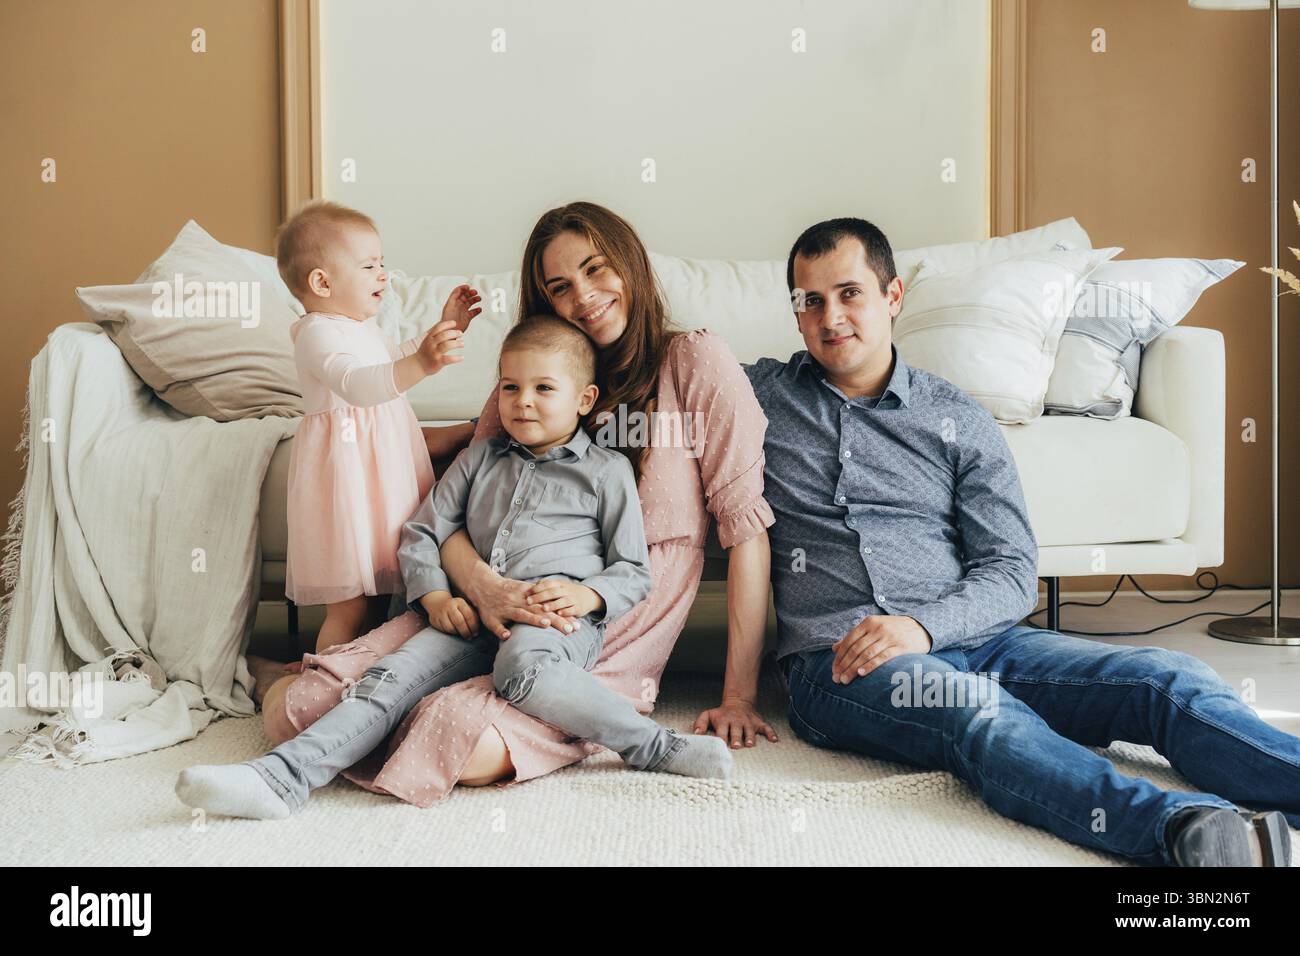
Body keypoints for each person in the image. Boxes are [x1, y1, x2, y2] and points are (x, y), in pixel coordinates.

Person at [736, 215, 1296, 867]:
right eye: (810, 301)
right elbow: (652, 364)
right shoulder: (758, 396)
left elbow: (1008, 568)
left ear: (892, 298)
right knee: (978, 711)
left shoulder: (958, 417)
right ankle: (1186, 830)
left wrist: (922, 625)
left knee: (1166, 677)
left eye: (849, 292)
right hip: (841, 661)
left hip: (985, 640)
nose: (830, 317)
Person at [251, 202, 776, 807]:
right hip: (483, 603)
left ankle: (391, 710)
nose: (583, 296)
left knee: (461, 744)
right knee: (297, 710)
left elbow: (746, 528)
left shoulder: (695, 360)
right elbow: (455, 504)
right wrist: (480, 587)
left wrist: (738, 696)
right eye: (560, 287)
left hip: (600, 620)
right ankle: (275, 677)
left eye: (597, 269)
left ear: (631, 264)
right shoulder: (534, 367)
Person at [275, 199, 480, 653]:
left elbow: (392, 360)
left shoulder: (363, 328)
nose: (384, 274)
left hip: (381, 478)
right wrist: (423, 364)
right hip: (348, 485)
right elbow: (357, 384)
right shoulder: (317, 332)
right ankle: (326, 678)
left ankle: (363, 673)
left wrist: (443, 329)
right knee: (350, 606)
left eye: (382, 263)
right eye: (369, 266)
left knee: (382, 600)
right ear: (322, 282)